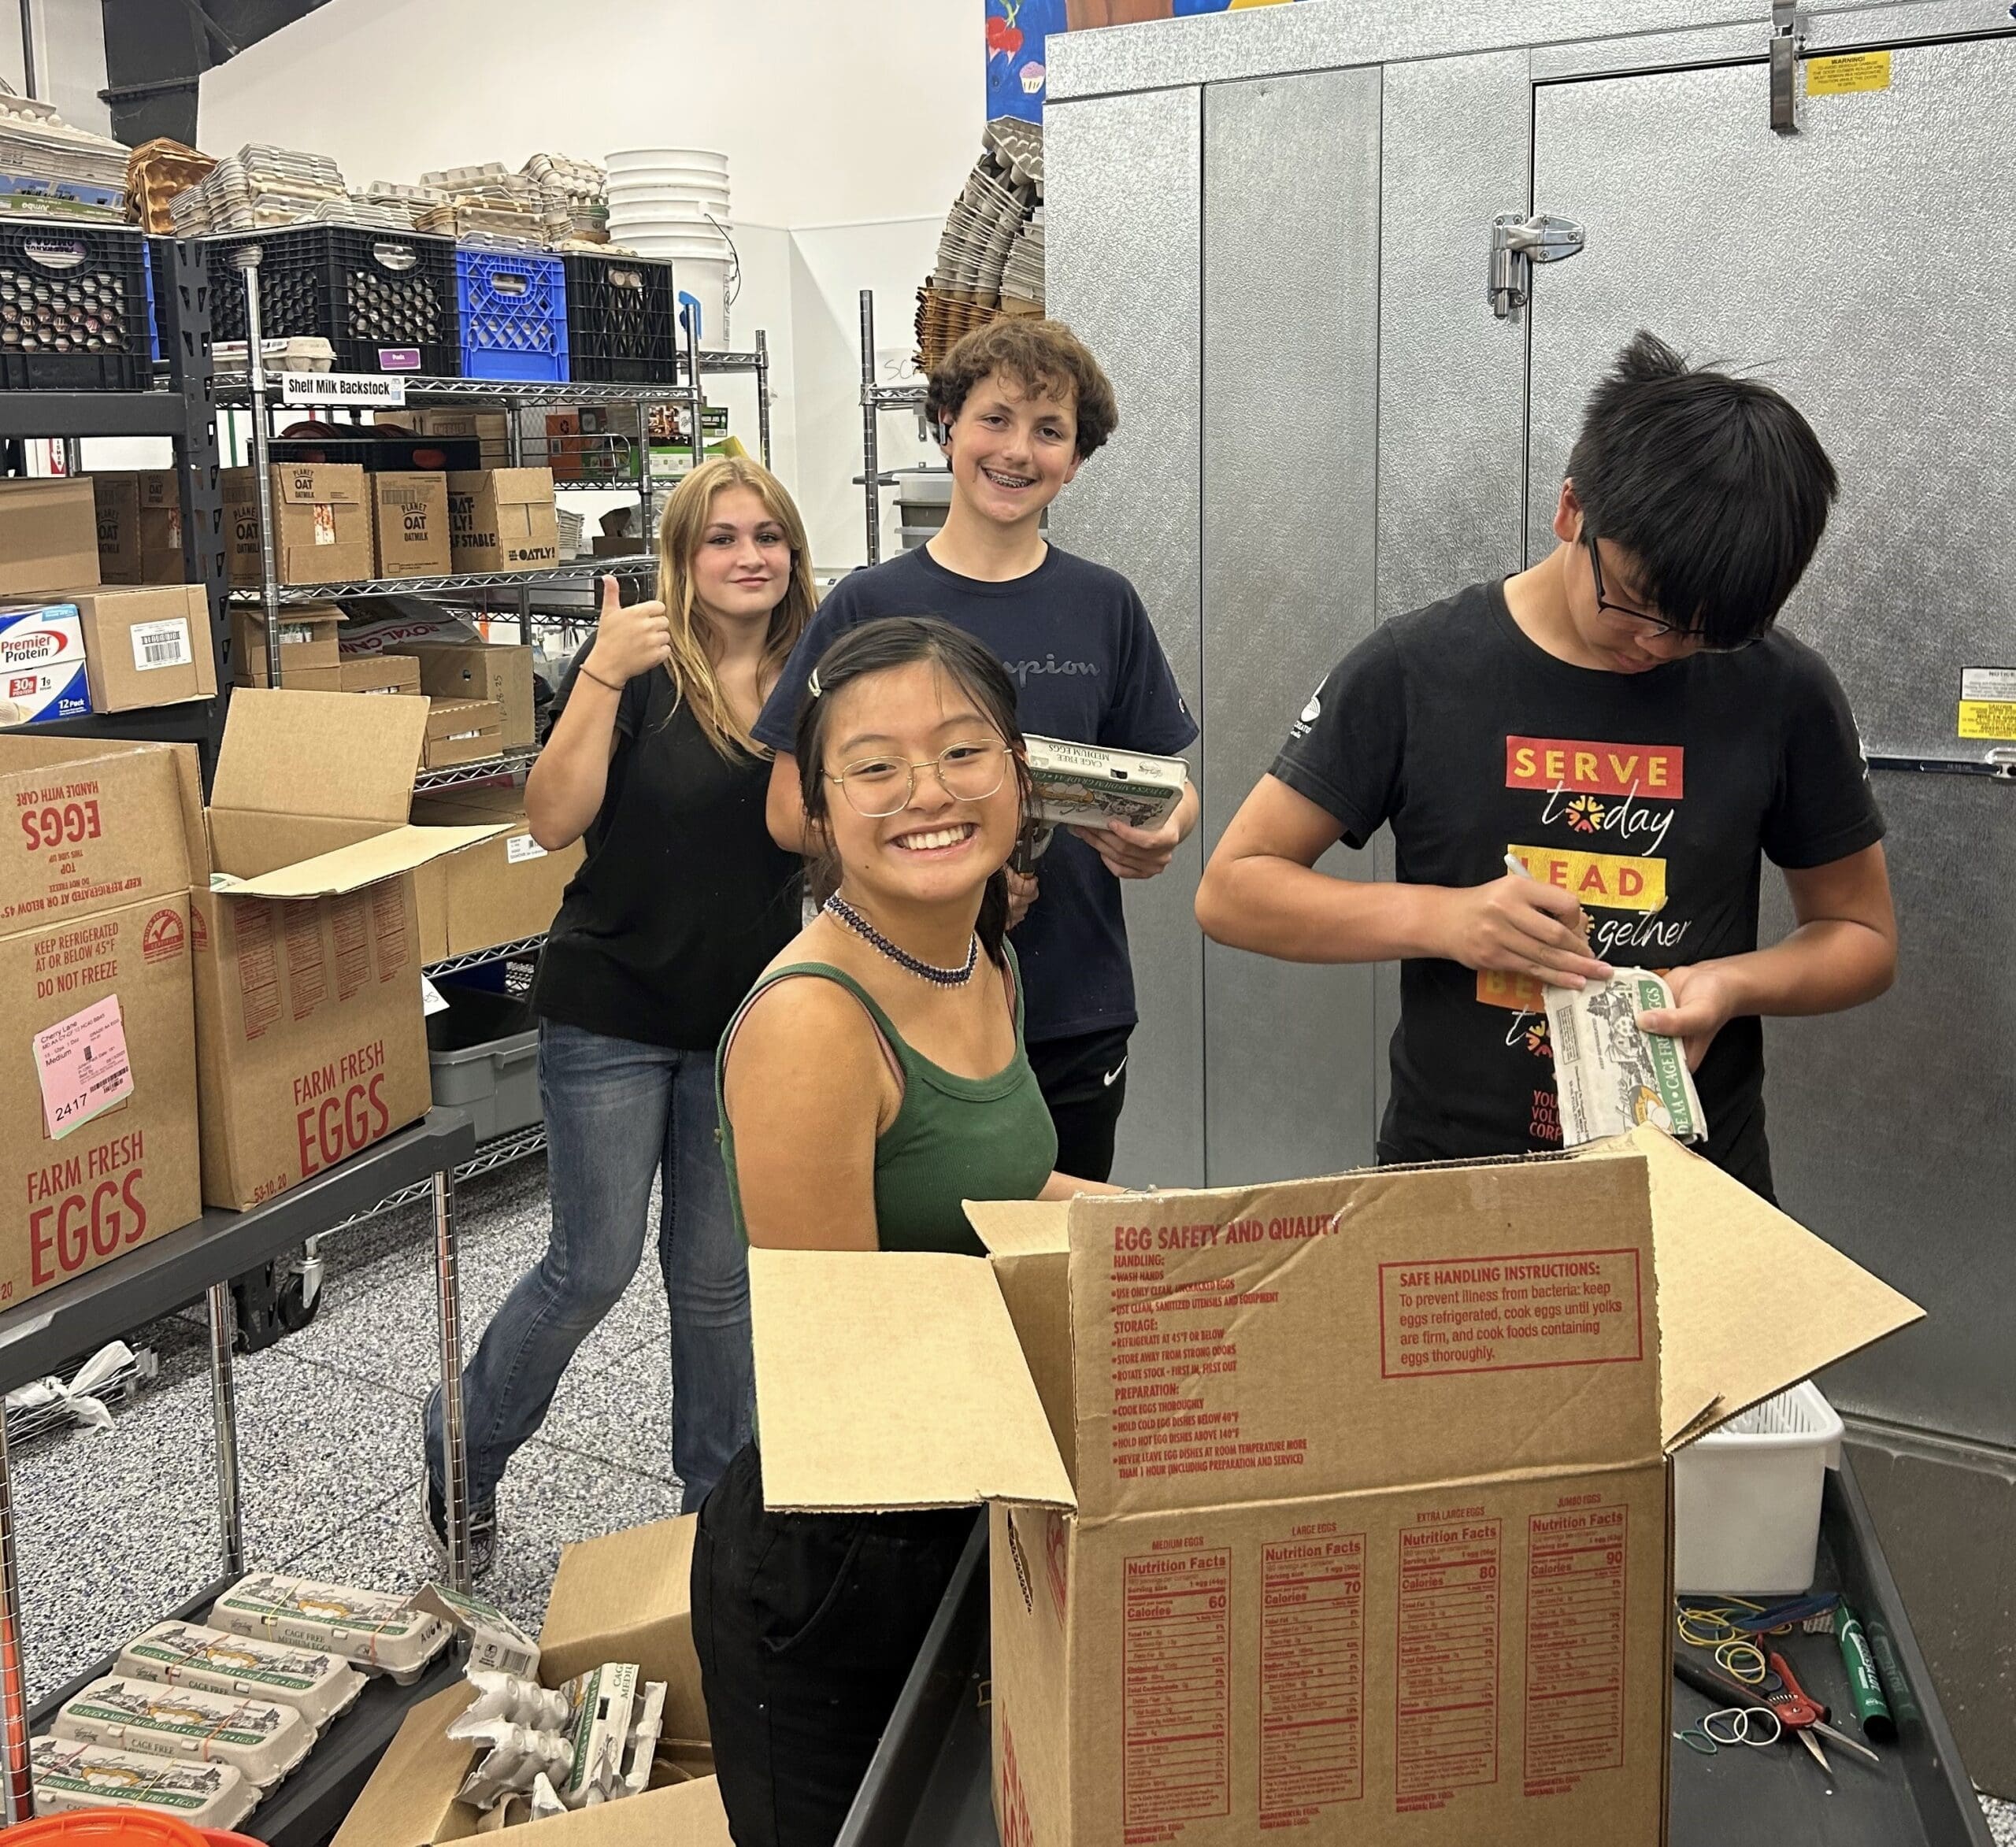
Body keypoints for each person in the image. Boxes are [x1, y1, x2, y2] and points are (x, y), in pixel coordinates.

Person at [1195, 331, 1896, 1197]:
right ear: (1572, 510)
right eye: (1634, 605)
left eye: (1705, 633)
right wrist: (1445, 919)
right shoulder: (1415, 669)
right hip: (1455, 1177)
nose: (1660, 646)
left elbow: (1861, 937)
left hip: (1692, 1181)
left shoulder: (1780, 687)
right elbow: (1233, 891)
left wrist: (1730, 983)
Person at [692, 616, 1120, 1847]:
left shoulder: (978, 957)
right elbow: (846, 1360)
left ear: (1019, 775)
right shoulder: (815, 1023)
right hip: (835, 1564)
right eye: (874, 767)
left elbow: (996, 1184)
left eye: (961, 752)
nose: (927, 792)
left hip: (966, 1501)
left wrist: (1165, 1234)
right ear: (821, 811)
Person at [421, 457, 815, 1574]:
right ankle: (464, 1447)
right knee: (591, 1266)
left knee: (717, 1284)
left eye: (768, 536)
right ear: (682, 559)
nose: (748, 557)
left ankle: (714, 1528)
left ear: (794, 555)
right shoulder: (639, 672)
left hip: (747, 1025)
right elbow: (550, 822)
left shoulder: (814, 681)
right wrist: (597, 673)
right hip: (612, 1013)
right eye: (721, 537)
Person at [751, 318, 1199, 1183]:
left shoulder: (1105, 604)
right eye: (995, 418)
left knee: (1059, 1247)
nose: (1018, 451)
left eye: (1049, 431)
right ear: (947, 424)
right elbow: (786, 810)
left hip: (1073, 1003)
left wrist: (1163, 828)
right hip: (901, 1003)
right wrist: (949, 867)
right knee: (921, 1251)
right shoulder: (866, 608)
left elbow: (1171, 783)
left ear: (1076, 460)